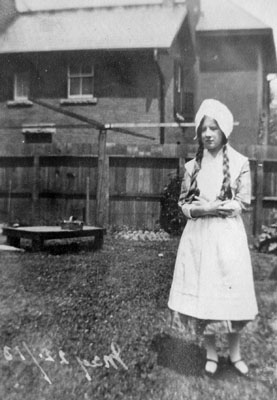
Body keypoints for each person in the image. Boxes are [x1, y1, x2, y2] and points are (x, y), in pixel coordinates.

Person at [168, 99, 258, 376]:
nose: (208, 134)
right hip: (199, 238)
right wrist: (201, 209)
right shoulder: (191, 167)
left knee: (230, 293)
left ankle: (234, 353)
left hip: (228, 237)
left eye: (214, 129)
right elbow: (184, 204)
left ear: (224, 132)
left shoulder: (240, 163)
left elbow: (244, 201)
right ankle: (210, 354)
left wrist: (220, 207)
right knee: (205, 294)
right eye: (204, 129)